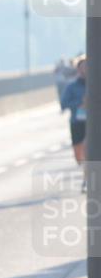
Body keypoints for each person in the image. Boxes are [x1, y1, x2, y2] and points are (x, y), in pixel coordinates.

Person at [60, 56, 87, 190]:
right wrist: (79, 103)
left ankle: (87, 178)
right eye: (82, 67)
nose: (85, 70)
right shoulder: (71, 86)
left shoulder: (96, 84)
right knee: (79, 154)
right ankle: (85, 170)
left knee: (89, 149)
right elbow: (64, 103)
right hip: (77, 122)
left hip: (93, 124)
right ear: (78, 69)